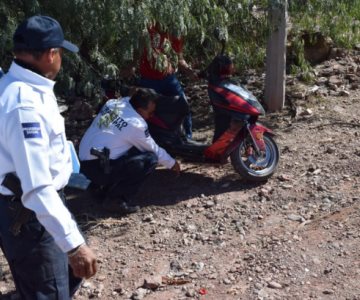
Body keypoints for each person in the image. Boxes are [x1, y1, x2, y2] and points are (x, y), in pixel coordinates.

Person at [0, 15, 97, 299]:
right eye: (60, 53)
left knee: (64, 279)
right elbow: (37, 187)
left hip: (34, 208)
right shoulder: (23, 105)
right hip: (30, 214)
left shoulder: (26, 87)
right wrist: (73, 246)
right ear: (51, 54)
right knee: (50, 291)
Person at [79, 88, 181, 213]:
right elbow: (153, 149)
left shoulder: (113, 104)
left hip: (84, 160)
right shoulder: (135, 124)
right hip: (98, 167)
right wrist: (172, 163)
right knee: (150, 159)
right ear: (139, 110)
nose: (151, 116)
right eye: (150, 113)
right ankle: (116, 200)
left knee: (130, 147)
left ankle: (98, 188)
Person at [124, 22, 197, 140]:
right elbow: (137, 54)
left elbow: (179, 57)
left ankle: (188, 138)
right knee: (143, 111)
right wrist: (131, 67)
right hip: (148, 80)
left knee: (184, 106)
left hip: (168, 78)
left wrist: (189, 71)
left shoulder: (174, 33)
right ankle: (146, 140)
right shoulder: (146, 28)